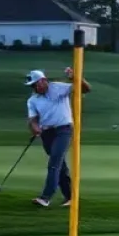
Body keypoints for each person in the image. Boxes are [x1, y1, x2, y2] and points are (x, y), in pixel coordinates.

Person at [25, 67, 91, 208]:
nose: (34, 88)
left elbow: (85, 89)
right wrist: (35, 129)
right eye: (32, 86)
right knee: (60, 166)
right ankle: (71, 197)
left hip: (64, 130)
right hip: (47, 134)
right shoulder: (32, 100)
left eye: (36, 84)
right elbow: (32, 120)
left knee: (54, 162)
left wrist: (75, 77)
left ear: (43, 81)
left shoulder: (58, 87)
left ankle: (46, 197)